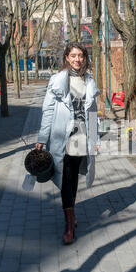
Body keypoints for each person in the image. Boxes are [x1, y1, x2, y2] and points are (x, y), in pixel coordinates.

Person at [35, 42, 100, 244]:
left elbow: (93, 114)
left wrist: (95, 139)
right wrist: (41, 138)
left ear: (85, 58)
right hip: (61, 136)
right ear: (66, 58)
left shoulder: (89, 81)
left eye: (80, 55)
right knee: (66, 178)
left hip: (81, 137)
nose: (77, 59)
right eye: (73, 55)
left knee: (72, 178)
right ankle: (69, 223)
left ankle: (71, 216)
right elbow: (48, 111)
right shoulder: (57, 80)